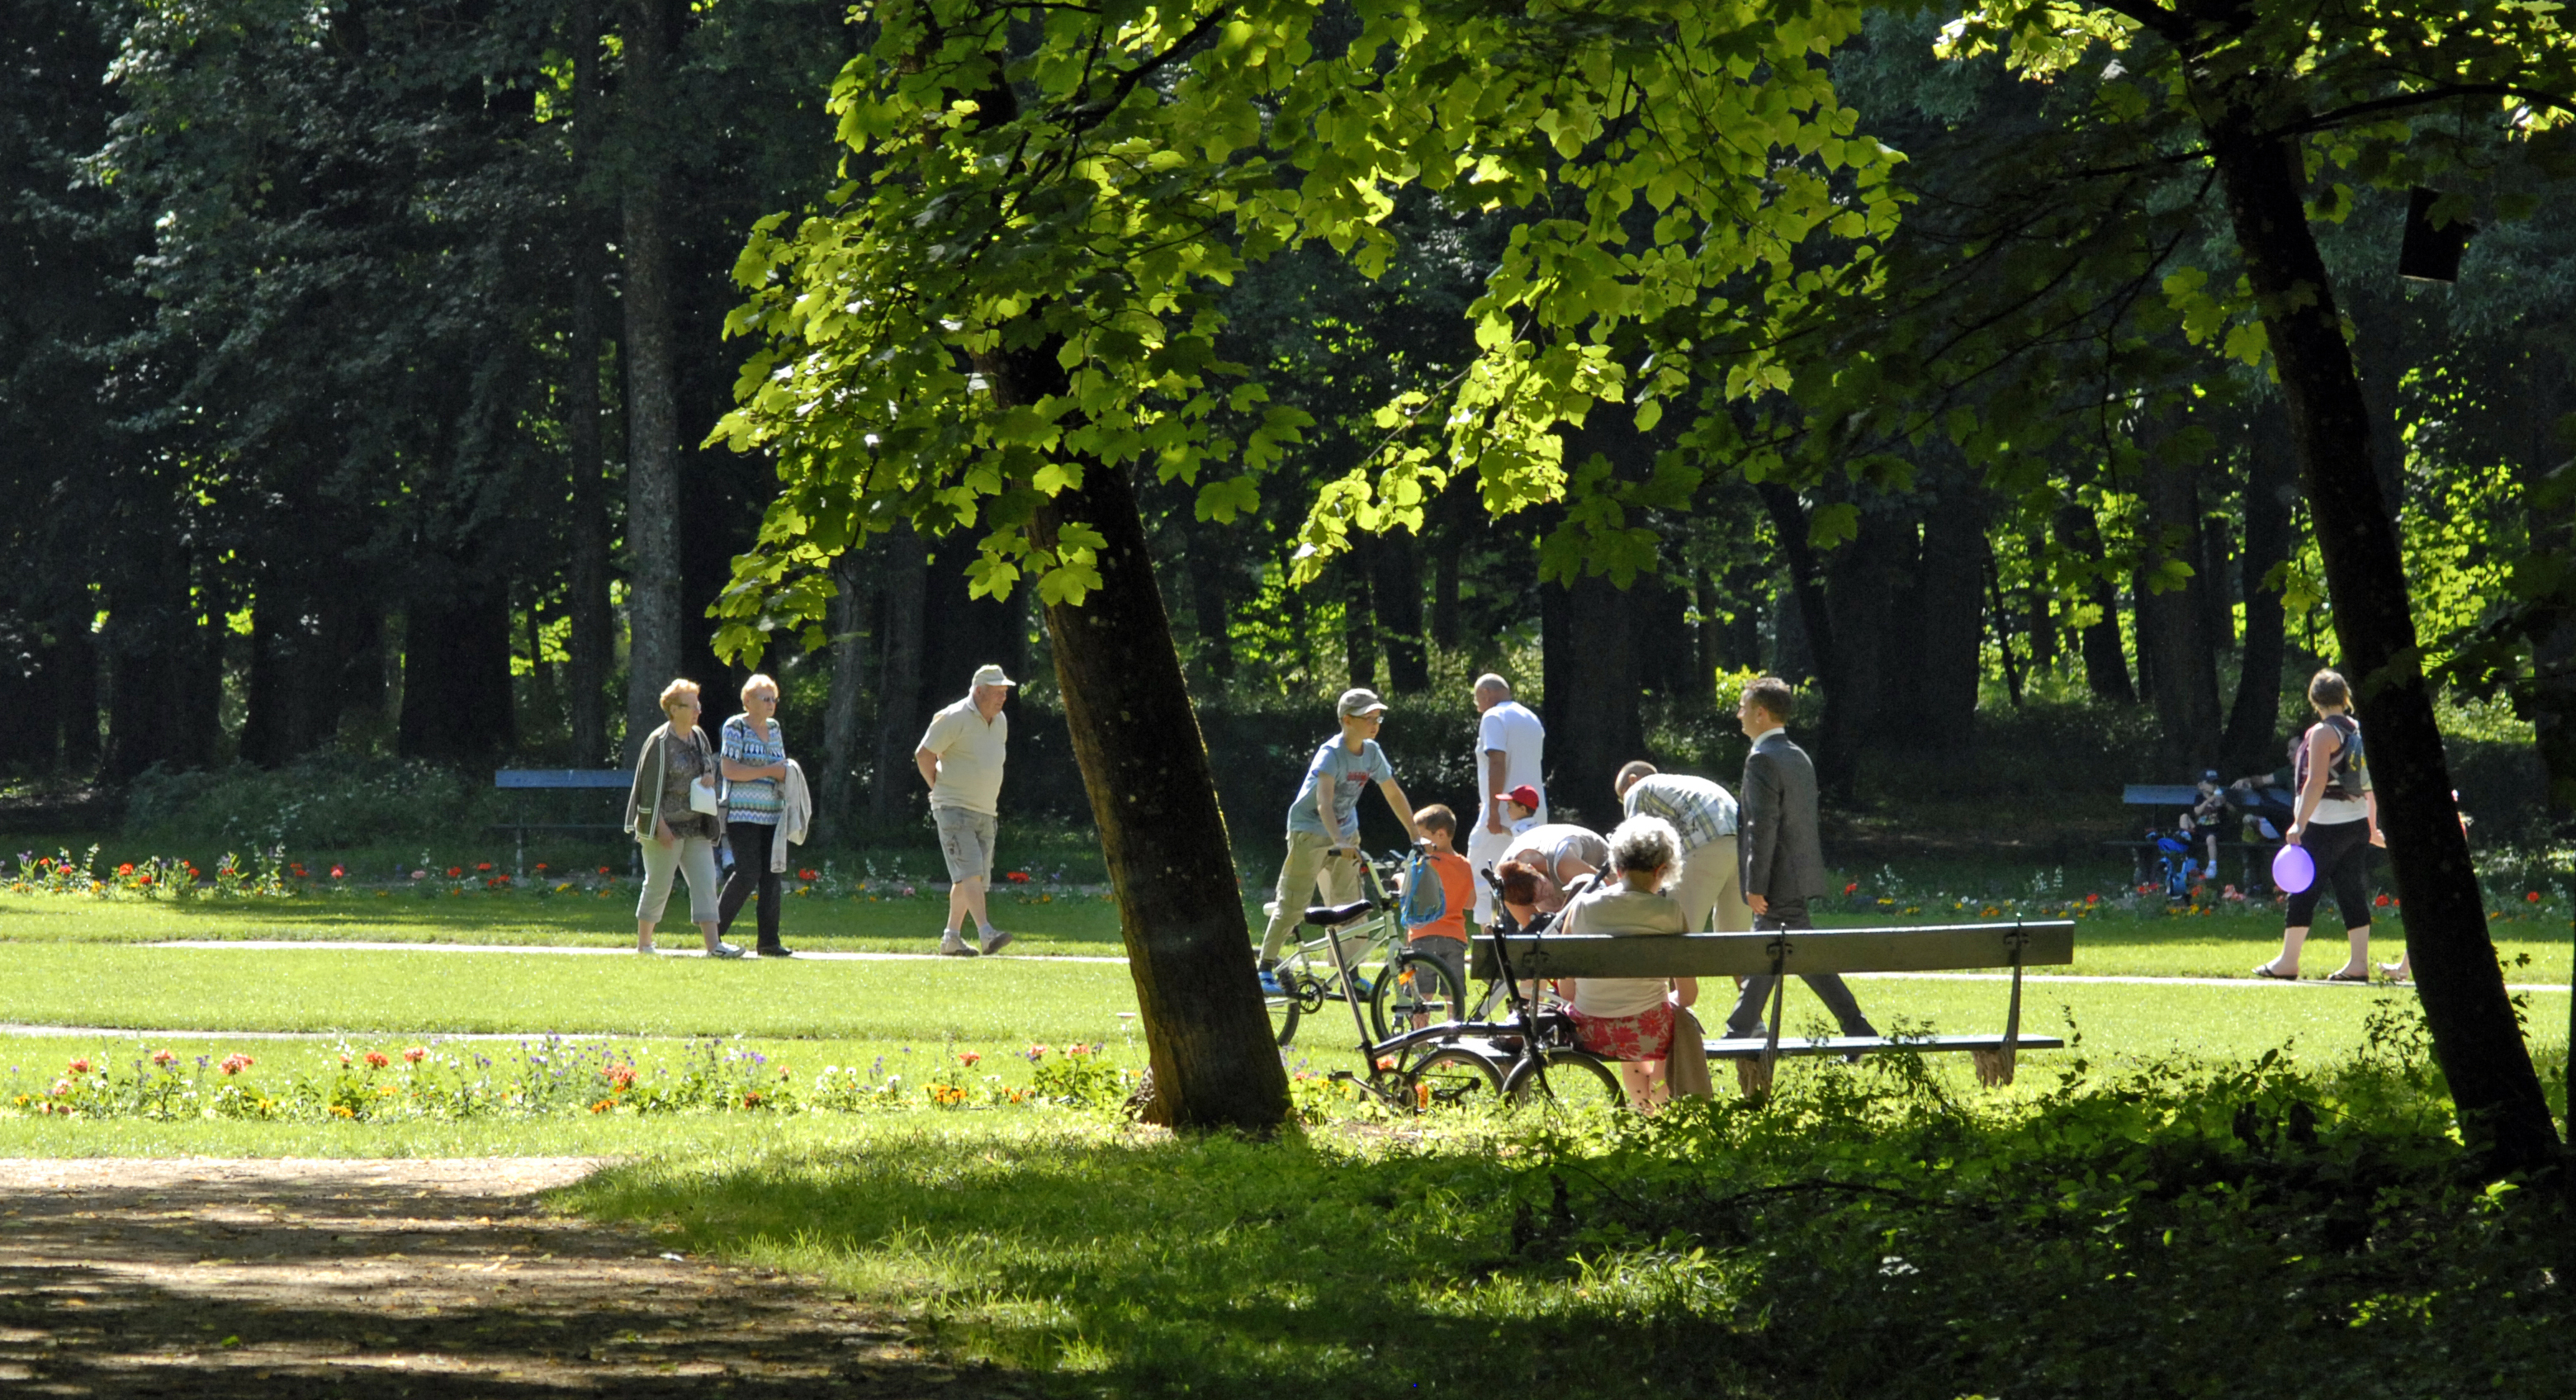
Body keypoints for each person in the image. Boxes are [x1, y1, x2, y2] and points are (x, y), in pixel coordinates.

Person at [1721, 676, 1878, 1042]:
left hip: (1775, 881)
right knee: (1799, 956)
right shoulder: (1798, 756)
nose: (1739, 714)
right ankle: (1858, 1030)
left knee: (1767, 954)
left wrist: (1755, 885)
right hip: (1797, 876)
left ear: (1761, 713)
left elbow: (1763, 828)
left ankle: (1738, 1032)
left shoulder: (1761, 759)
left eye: (1743, 707)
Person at [1257, 688, 1422, 983]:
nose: (1376, 724)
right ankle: (1265, 969)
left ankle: (1352, 976)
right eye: (1368, 718)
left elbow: (1393, 793)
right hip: (1309, 831)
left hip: (1346, 833)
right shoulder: (1331, 753)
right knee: (1294, 904)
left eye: (1378, 717)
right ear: (1347, 720)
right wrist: (1339, 841)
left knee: (1352, 906)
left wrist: (1415, 835)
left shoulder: (1371, 752)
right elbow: (1324, 802)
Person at [1557, 815, 1698, 1111]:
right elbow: (1687, 996)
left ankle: (1642, 1105)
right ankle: (1655, 1107)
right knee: (1669, 1018)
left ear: (1618, 867)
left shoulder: (1581, 907)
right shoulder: (1670, 912)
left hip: (1589, 1031)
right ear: (1663, 870)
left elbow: (1567, 992)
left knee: (1637, 1017)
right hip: (1648, 1033)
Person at [2253, 668, 2384, 982]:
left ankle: (2288, 961)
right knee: (2352, 891)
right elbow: (2369, 785)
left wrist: (2298, 824)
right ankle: (2358, 964)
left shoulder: (2323, 733)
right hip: (2355, 824)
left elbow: (2315, 782)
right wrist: (2371, 825)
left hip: (2324, 824)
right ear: (2344, 696)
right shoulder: (2357, 730)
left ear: (2315, 700)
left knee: (2303, 888)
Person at [624, 679, 743, 958]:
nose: (697, 711)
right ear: (673, 709)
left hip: (696, 826)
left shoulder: (699, 736)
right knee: (658, 883)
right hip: (663, 827)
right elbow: (647, 789)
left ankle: (714, 946)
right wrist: (660, 826)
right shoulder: (660, 742)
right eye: (690, 706)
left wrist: (709, 776)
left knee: (706, 880)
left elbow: (706, 766)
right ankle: (644, 945)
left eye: (697, 705)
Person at [916, 664, 1017, 958]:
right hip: (953, 808)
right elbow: (924, 754)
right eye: (996, 692)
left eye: (1004, 692)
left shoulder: (1000, 721)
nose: (1002, 698)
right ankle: (987, 933)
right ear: (978, 692)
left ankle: (951, 939)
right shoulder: (954, 716)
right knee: (971, 872)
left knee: (968, 878)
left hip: (986, 810)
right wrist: (937, 786)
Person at [1614, 760, 1749, 934]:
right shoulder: (1684, 783)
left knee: (1681, 930)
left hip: (1706, 841)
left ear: (1632, 780)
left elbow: (1635, 845)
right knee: (1735, 935)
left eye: (1621, 796)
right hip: (1742, 845)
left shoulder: (1637, 788)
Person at [717, 674, 796, 957]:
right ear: (748, 701)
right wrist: (769, 771)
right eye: (766, 699)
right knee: (748, 872)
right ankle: (714, 935)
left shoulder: (774, 728)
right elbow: (729, 770)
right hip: (743, 814)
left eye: (774, 698)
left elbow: (782, 766)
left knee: (772, 876)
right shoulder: (735, 726)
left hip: (773, 814)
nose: (771, 704)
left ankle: (769, 942)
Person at [1466, 674, 1546, 926]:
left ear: (1487, 693)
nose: (1476, 702)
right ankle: (1531, 933)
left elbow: (1497, 762)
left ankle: (1488, 939)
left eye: (1477, 695)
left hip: (1505, 811)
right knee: (1525, 879)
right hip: (1534, 811)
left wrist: (1492, 809)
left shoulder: (1493, 717)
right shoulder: (1530, 717)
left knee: (1482, 873)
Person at [1397, 805, 1475, 1023]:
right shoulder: (1465, 865)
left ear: (1440, 834)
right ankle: (1454, 1033)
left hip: (1424, 935)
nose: (1417, 843)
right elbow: (1471, 903)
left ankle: (1420, 1036)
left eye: (1421, 837)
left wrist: (1398, 879)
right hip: (1455, 937)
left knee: (1422, 990)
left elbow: (1409, 890)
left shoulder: (1424, 863)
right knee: (1453, 990)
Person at [1500, 821, 1611, 912]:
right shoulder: (1506, 885)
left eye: (1543, 889)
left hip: (1602, 863)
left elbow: (1611, 888)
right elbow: (1531, 931)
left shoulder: (1565, 865)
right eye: (1537, 899)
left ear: (1532, 868)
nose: (1546, 895)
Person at [2181, 769, 2227, 880]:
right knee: (2184, 817)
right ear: (2201, 786)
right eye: (2210, 783)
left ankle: (2212, 865)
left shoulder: (2221, 797)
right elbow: (2197, 811)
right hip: (2200, 829)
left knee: (2210, 839)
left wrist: (2223, 802)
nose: (2214, 785)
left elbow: (2232, 811)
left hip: (2214, 829)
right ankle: (2184, 837)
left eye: (2215, 783)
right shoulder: (2199, 798)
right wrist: (2207, 801)